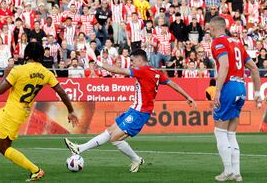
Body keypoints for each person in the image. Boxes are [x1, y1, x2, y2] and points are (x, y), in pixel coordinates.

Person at [64, 49, 196, 173]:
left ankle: (136, 159)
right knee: (110, 131)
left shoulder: (142, 70)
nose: (131, 63)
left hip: (140, 112)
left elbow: (117, 70)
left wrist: (99, 63)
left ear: (140, 60)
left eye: (132, 60)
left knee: (115, 138)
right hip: (134, 109)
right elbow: (173, 83)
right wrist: (187, 96)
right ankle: (79, 148)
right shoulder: (156, 72)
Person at [0, 42, 79, 181]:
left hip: (12, 112)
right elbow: (61, 91)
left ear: (27, 54)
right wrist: (71, 110)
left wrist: (5, 74)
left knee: (4, 148)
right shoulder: (46, 73)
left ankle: (35, 170)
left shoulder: (18, 70)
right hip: (20, 110)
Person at [209, 16, 261, 182]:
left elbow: (224, 65)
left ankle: (228, 171)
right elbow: (253, 68)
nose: (209, 31)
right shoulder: (237, 42)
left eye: (210, 28)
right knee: (231, 133)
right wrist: (258, 92)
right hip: (241, 87)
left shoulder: (218, 42)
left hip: (229, 87)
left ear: (214, 27)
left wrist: (217, 91)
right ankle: (236, 173)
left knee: (220, 131)